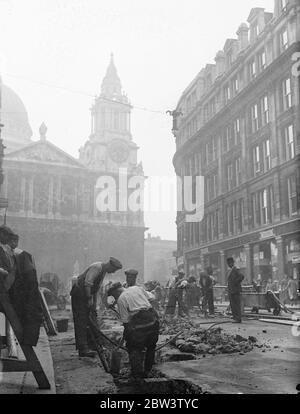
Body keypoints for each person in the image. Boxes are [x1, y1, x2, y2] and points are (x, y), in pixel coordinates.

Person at [70, 257, 122, 357]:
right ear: (110, 265)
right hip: (79, 294)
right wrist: (89, 299)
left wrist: (93, 305)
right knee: (81, 321)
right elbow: (88, 283)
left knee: (92, 318)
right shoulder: (97, 267)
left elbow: (95, 288)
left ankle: (93, 345)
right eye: (114, 270)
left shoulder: (103, 272)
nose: (113, 272)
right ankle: (83, 349)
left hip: (86, 295)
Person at [107, 281, 159, 379]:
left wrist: (127, 336)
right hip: (153, 319)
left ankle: (137, 375)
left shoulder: (121, 299)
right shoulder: (136, 288)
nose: (115, 298)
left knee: (134, 347)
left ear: (116, 292)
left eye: (114, 296)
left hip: (139, 323)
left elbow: (126, 323)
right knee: (151, 347)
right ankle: (148, 371)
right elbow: (152, 297)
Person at [226, 257, 244, 323]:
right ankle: (235, 317)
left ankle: (238, 318)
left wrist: (235, 283)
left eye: (229, 263)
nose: (228, 264)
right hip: (231, 290)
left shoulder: (235, 269)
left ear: (232, 263)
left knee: (236, 305)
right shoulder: (230, 270)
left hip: (235, 290)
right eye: (228, 263)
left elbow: (242, 276)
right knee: (233, 305)